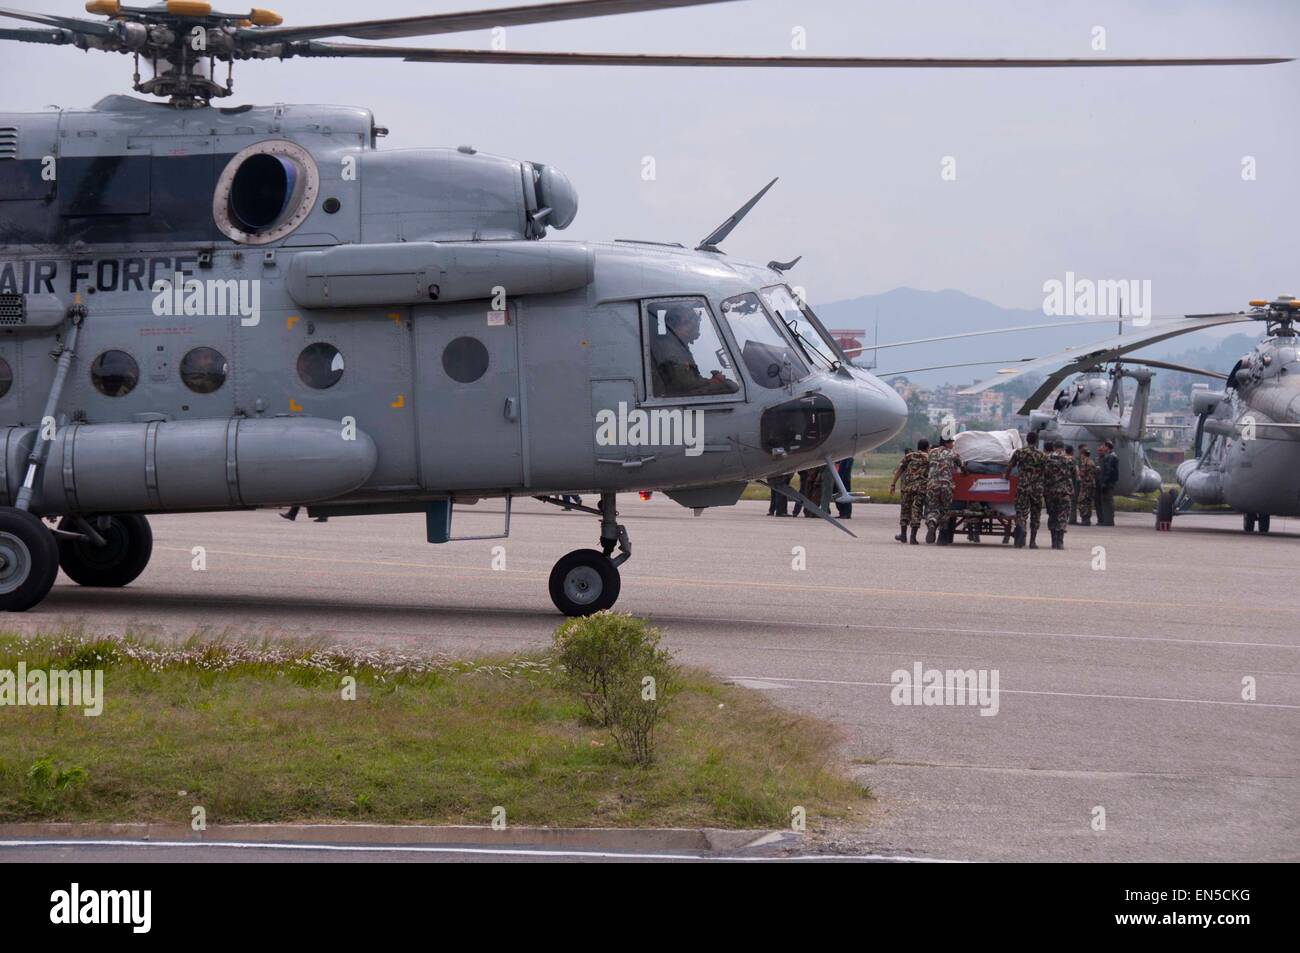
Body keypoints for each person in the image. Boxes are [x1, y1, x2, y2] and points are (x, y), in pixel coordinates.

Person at [649, 304, 739, 397]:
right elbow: (685, 385)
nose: (695, 326)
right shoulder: (670, 349)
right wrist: (714, 382)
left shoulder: (678, 347)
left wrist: (711, 381)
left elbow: (691, 380)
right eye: (690, 322)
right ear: (675, 325)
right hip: (678, 400)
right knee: (731, 387)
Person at [1004, 429, 1047, 548]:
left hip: (1023, 486)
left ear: (1027, 440)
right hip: (1036, 488)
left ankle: (1022, 531)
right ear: (1036, 441)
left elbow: (1010, 466)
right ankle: (1033, 541)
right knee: (1035, 514)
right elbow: (1046, 471)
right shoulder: (1041, 455)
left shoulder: (1019, 452)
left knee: (1021, 512)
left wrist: (1006, 477)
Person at [923, 436, 963, 545]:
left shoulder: (931, 452)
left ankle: (931, 524)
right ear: (946, 443)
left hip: (932, 485)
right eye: (951, 442)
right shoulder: (953, 454)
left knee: (932, 509)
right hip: (946, 485)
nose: (953, 444)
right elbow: (962, 466)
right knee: (945, 510)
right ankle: (942, 537)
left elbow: (926, 465)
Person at [890, 439, 930, 544]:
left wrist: (893, 484)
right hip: (920, 489)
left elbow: (899, 470)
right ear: (927, 447)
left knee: (905, 510)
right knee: (916, 511)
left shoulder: (909, 456)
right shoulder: (928, 458)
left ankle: (903, 535)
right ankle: (913, 537)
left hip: (907, 488)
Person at [1043, 440, 1074, 550]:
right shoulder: (1069, 459)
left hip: (1050, 492)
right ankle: (1060, 541)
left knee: (1052, 515)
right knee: (1063, 516)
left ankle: (1053, 541)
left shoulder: (1047, 458)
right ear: (1063, 447)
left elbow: (1044, 474)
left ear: (1054, 447)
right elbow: (1075, 474)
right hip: (1064, 492)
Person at [1096, 440, 1119, 526]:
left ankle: (1108, 521)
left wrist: (1104, 482)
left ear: (1107, 447)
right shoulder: (1110, 456)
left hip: (1108, 482)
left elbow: (1108, 471)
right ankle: (1107, 520)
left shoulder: (1111, 457)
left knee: (1107, 501)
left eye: (1104, 446)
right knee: (1106, 501)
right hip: (1109, 482)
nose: (1103, 448)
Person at [1076, 447, 1097, 525]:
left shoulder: (1085, 462)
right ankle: (1087, 519)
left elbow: (1082, 474)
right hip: (1091, 484)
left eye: (1081, 454)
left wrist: (1077, 470)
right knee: (1088, 502)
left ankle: (1085, 519)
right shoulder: (1092, 462)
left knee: (1082, 501)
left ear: (1083, 454)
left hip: (1085, 485)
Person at [1064, 445, 1080, 525]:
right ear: (1072, 451)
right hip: (1071, 483)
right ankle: (1072, 519)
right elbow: (1076, 472)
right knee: (1073, 501)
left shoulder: (1062, 458)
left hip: (1062, 483)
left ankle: (1063, 518)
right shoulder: (1073, 460)